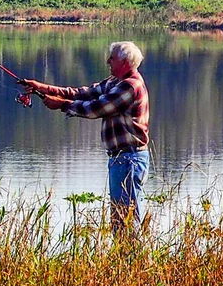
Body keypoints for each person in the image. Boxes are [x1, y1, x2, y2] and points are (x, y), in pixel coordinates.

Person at [21, 41, 150, 234]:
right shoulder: (115, 82)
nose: (108, 61)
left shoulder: (130, 86)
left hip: (129, 159)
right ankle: (124, 252)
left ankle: (131, 252)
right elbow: (84, 93)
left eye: (112, 58)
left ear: (124, 62)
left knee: (126, 220)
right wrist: (44, 88)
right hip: (122, 158)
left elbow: (96, 108)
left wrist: (62, 105)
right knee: (119, 218)